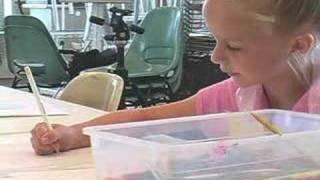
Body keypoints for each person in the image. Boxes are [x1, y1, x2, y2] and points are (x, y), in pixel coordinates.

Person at [31, 0, 320, 155]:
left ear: (298, 45)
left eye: (234, 46)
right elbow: (147, 119)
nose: (215, 56)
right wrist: (73, 134)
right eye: (215, 41)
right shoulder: (240, 93)